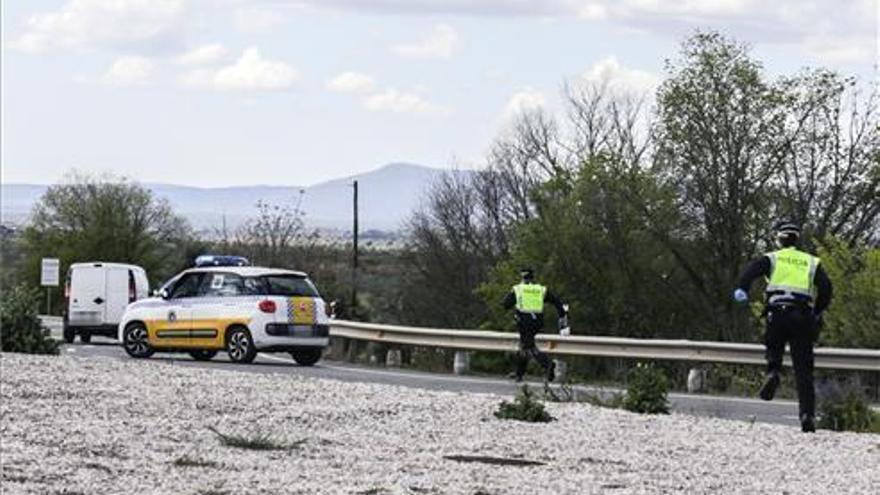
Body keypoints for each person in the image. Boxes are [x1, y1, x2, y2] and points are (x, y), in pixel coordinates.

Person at [734, 221, 833, 432]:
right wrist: (817, 311)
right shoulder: (811, 261)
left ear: (779, 238)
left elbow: (750, 273)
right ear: (798, 239)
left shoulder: (772, 258)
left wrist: (742, 289)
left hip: (776, 313)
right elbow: (826, 288)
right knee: (804, 369)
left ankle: (774, 371)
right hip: (802, 315)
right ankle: (807, 415)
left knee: (774, 346)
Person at [503, 268, 568, 383]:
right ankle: (519, 374)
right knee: (524, 346)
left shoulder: (518, 289)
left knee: (529, 346)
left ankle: (548, 365)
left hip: (524, 321)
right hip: (537, 321)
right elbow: (557, 302)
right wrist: (562, 315)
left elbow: (506, 304)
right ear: (533, 277)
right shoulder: (540, 289)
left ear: (522, 277)